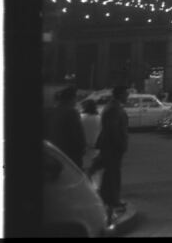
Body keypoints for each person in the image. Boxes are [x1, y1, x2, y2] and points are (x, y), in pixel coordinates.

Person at [94, 85, 130, 219]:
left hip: (110, 146)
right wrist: (121, 145)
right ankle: (113, 200)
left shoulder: (113, 107)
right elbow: (113, 130)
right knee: (113, 174)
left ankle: (109, 198)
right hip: (112, 147)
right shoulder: (113, 109)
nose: (128, 96)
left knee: (111, 173)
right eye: (126, 94)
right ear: (120, 94)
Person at [46, 86, 86, 169]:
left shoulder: (53, 111)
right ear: (72, 98)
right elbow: (77, 136)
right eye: (76, 98)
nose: (76, 101)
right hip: (69, 156)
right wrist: (82, 149)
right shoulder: (72, 112)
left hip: (55, 152)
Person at [80, 99, 102, 170]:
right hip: (95, 148)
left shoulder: (80, 117)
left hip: (82, 148)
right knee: (93, 169)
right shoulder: (99, 118)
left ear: (84, 107)